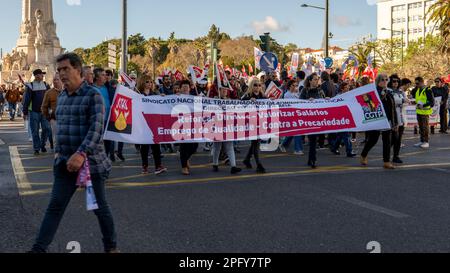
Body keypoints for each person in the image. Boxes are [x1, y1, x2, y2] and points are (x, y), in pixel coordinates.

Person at [29, 53, 118, 253]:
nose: (61, 74)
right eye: (59, 70)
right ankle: (38, 249)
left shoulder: (92, 95)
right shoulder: (61, 97)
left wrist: (81, 153)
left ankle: (111, 247)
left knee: (100, 208)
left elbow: (96, 129)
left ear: (78, 70)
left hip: (91, 164)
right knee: (55, 207)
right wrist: (58, 152)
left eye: (65, 69)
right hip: (64, 164)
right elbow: (61, 128)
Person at [360, 74, 398, 169]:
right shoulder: (373, 92)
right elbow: (370, 104)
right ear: (378, 81)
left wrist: (395, 122)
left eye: (386, 79)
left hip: (387, 120)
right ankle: (363, 154)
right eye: (382, 80)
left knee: (387, 141)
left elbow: (393, 107)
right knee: (373, 140)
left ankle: (386, 161)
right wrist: (380, 97)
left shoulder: (389, 92)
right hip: (377, 119)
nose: (385, 81)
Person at [136, 75, 168, 175]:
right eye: (147, 82)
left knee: (156, 145)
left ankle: (158, 166)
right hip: (143, 122)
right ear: (142, 83)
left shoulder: (154, 94)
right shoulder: (138, 94)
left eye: (151, 82)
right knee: (144, 146)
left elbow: (159, 104)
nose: (149, 84)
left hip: (154, 122)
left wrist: (162, 97)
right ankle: (144, 166)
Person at [211, 87, 242, 174]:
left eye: (226, 89)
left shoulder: (230, 100)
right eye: (222, 89)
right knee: (217, 146)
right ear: (219, 90)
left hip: (228, 126)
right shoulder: (214, 100)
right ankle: (215, 164)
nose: (225, 91)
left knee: (229, 146)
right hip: (217, 125)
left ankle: (233, 166)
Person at [300, 73, 326, 168]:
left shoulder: (320, 91)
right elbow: (299, 103)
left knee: (314, 140)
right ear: (310, 81)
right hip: (308, 119)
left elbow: (325, 103)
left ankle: (310, 159)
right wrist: (307, 101)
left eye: (317, 79)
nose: (316, 81)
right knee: (313, 140)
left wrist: (327, 99)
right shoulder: (304, 91)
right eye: (314, 79)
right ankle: (313, 160)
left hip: (318, 119)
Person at [23, 69, 51, 156]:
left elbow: (49, 98)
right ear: (36, 76)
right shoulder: (31, 86)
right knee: (35, 131)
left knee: (46, 129)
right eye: (41, 75)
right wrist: (25, 112)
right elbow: (26, 100)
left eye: (43, 75)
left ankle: (42, 145)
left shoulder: (46, 85)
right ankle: (36, 148)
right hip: (34, 112)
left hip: (44, 112)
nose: (43, 76)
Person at [242, 78, 266, 174]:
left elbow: (268, 105)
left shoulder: (263, 96)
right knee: (256, 143)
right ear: (251, 86)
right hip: (251, 122)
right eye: (255, 85)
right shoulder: (247, 95)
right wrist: (248, 100)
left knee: (255, 143)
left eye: (259, 85)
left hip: (260, 122)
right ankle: (259, 164)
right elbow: (239, 103)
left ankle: (247, 159)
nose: (257, 87)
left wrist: (271, 100)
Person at [331, 82, 357, 158]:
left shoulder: (349, 96)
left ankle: (334, 148)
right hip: (340, 118)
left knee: (341, 135)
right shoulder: (338, 96)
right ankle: (349, 151)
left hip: (347, 117)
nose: (348, 88)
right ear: (342, 89)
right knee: (346, 134)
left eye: (348, 87)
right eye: (346, 87)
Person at [178, 80, 198, 175]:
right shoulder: (176, 97)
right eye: (183, 86)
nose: (185, 88)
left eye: (187, 86)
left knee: (194, 146)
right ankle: (184, 167)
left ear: (190, 88)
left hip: (193, 125)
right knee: (184, 146)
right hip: (180, 125)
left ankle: (186, 159)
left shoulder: (194, 97)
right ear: (180, 88)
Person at [279, 80, 304, 155]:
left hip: (298, 114)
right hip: (291, 115)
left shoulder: (297, 94)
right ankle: (297, 149)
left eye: (296, 85)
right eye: (293, 85)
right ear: (289, 86)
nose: (295, 87)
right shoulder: (287, 95)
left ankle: (283, 144)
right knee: (297, 132)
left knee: (293, 132)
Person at [388, 74, 408, 163]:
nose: (395, 83)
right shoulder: (388, 91)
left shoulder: (401, 91)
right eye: (393, 81)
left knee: (399, 138)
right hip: (392, 118)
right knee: (393, 138)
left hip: (401, 117)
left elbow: (406, 102)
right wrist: (402, 101)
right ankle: (387, 154)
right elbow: (392, 101)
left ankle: (396, 156)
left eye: (397, 81)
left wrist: (403, 101)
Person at [41, 72, 63, 150]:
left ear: (62, 80)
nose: (55, 81)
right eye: (54, 80)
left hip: (67, 120)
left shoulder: (67, 91)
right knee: (56, 138)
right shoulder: (49, 93)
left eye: (57, 79)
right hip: (55, 120)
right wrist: (49, 118)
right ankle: (58, 154)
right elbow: (44, 107)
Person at [411, 77, 434, 148]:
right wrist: (414, 102)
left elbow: (432, 102)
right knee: (421, 127)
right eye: (415, 83)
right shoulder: (418, 90)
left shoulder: (427, 90)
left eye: (417, 83)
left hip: (425, 112)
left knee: (425, 127)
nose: (416, 85)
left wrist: (423, 105)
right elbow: (419, 100)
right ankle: (422, 141)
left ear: (422, 82)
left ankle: (426, 141)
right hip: (419, 111)